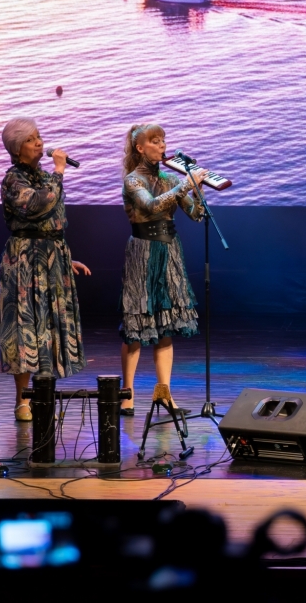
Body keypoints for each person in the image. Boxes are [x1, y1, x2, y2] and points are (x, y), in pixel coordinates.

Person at [0, 118, 90, 421]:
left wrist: (64, 257)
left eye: (38, 137)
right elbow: (40, 205)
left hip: (52, 258)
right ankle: (22, 401)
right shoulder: (14, 179)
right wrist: (59, 171)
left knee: (49, 329)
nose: (39, 142)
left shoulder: (44, 177)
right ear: (17, 148)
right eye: (31, 139)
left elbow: (54, 219)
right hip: (25, 260)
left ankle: (44, 397)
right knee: (25, 328)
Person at [119, 124, 206, 416]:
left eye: (163, 141)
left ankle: (165, 395)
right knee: (136, 324)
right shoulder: (133, 180)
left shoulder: (170, 178)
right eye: (154, 141)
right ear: (140, 148)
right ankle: (127, 395)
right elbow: (152, 206)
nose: (161, 146)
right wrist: (185, 186)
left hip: (169, 250)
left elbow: (195, 214)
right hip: (143, 252)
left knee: (165, 325)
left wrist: (198, 188)